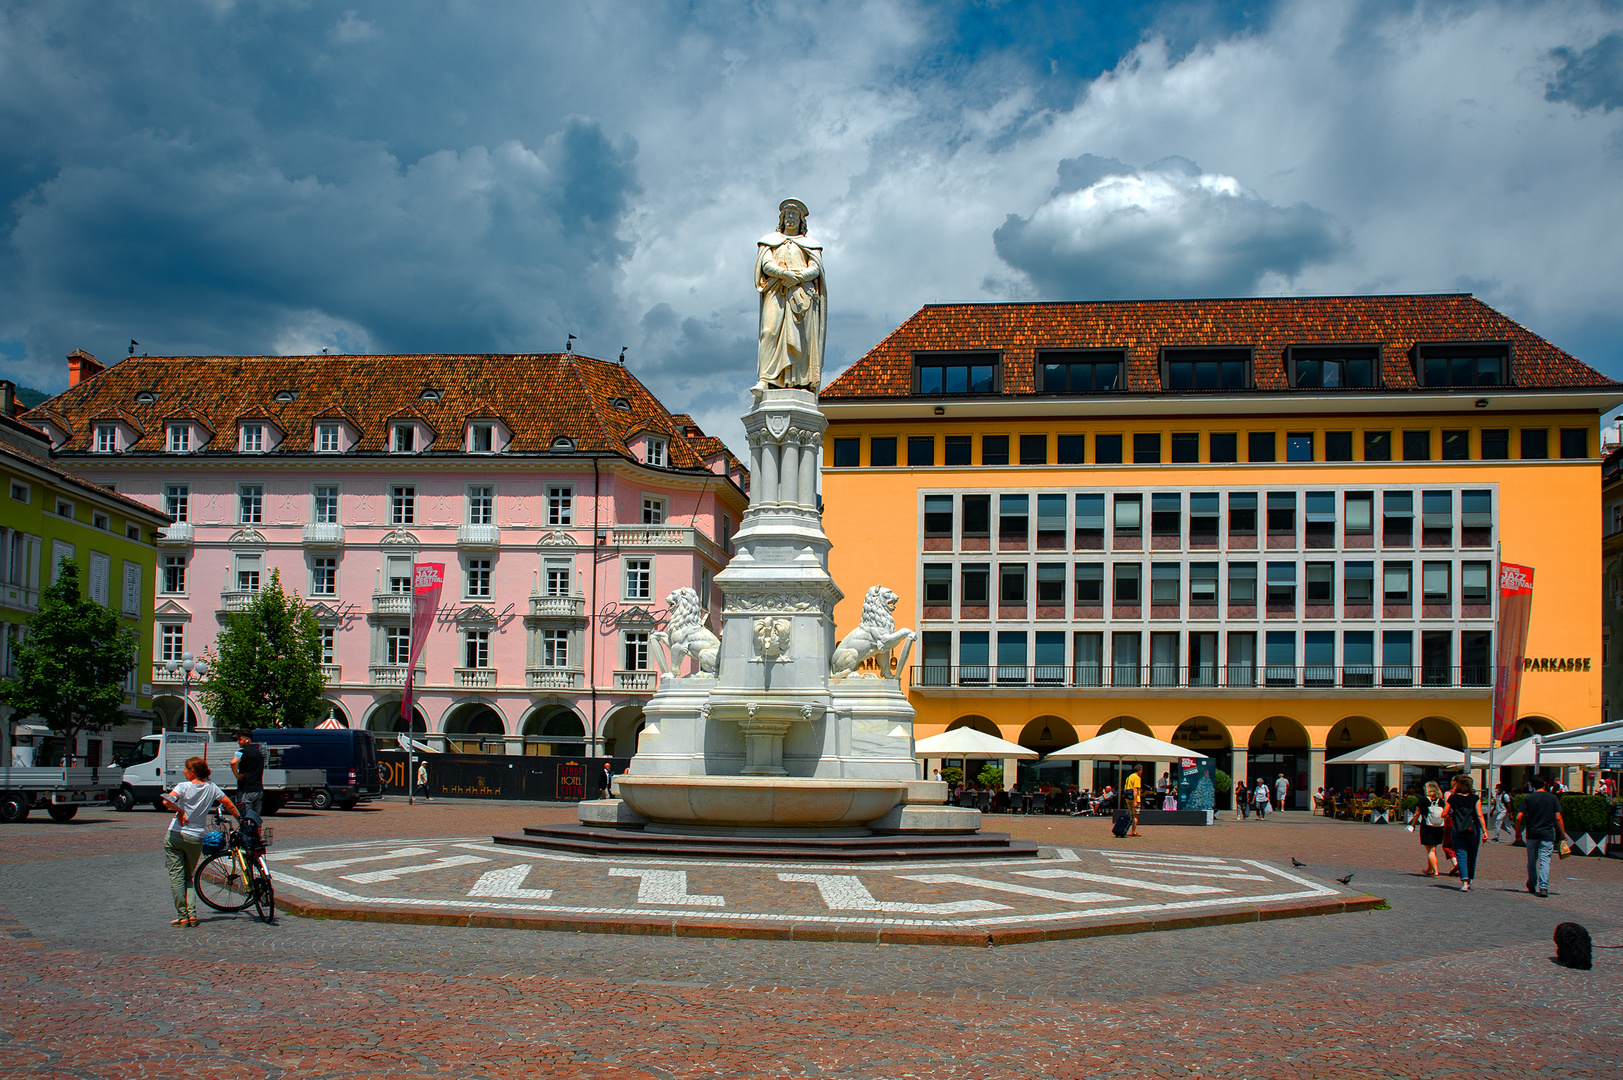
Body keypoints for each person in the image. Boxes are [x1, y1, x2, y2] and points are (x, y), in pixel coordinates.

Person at [753, 199, 826, 394]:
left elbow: (816, 268)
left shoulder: (810, 245)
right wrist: (784, 275)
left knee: (801, 339)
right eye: (788, 215)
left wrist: (798, 277)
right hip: (776, 291)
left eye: (795, 215)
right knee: (769, 331)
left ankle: (799, 381)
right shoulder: (769, 241)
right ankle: (765, 378)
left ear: (802, 220)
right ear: (782, 219)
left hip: (801, 295)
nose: (791, 219)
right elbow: (765, 265)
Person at [161, 756, 239, 927]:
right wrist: (242, 820)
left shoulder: (182, 786)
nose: (183, 771)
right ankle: (192, 915)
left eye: (185, 769)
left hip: (176, 834)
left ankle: (183, 916)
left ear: (192, 771)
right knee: (188, 876)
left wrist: (180, 812)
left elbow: (167, 801)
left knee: (176, 876)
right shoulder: (212, 788)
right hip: (196, 837)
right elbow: (229, 805)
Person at [1515, 775, 1566, 897]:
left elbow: (1518, 817)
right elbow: (1558, 818)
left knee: (1532, 860)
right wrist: (1563, 834)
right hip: (1547, 833)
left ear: (1532, 785)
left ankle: (1532, 883)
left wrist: (1517, 832)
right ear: (1545, 784)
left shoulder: (1528, 798)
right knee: (1545, 861)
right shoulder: (1552, 798)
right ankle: (1543, 887)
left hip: (1532, 833)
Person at [1445, 775, 1487, 891]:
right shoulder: (1475, 798)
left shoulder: (1453, 798)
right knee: (1472, 855)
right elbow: (1479, 815)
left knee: (1461, 854)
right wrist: (1485, 831)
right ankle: (1470, 879)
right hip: (1473, 829)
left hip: (1457, 829)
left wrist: (1450, 814)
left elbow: (1444, 813)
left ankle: (1464, 881)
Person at [230, 729, 264, 818]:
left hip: (246, 789)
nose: (238, 742)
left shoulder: (241, 752)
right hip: (258, 789)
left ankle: (247, 832)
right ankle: (257, 832)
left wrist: (237, 775)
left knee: (245, 818)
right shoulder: (259, 753)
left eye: (240, 739)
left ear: (247, 739)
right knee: (256, 818)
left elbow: (233, 762)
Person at [1417, 780, 1447, 876]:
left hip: (1427, 826)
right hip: (1439, 826)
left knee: (1430, 849)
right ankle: (1429, 869)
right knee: (1433, 848)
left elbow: (1417, 813)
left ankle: (1435, 871)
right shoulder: (1441, 801)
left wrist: (1412, 824)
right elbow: (1445, 814)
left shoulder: (1423, 800)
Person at [1125, 765, 1143, 836]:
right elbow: (1135, 789)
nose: (1142, 772)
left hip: (1128, 798)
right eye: (1141, 770)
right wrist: (1135, 801)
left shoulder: (1129, 777)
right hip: (1135, 798)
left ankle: (1126, 829)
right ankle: (1133, 831)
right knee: (1136, 815)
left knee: (1131, 815)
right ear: (1139, 770)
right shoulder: (1137, 778)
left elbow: (1126, 788)